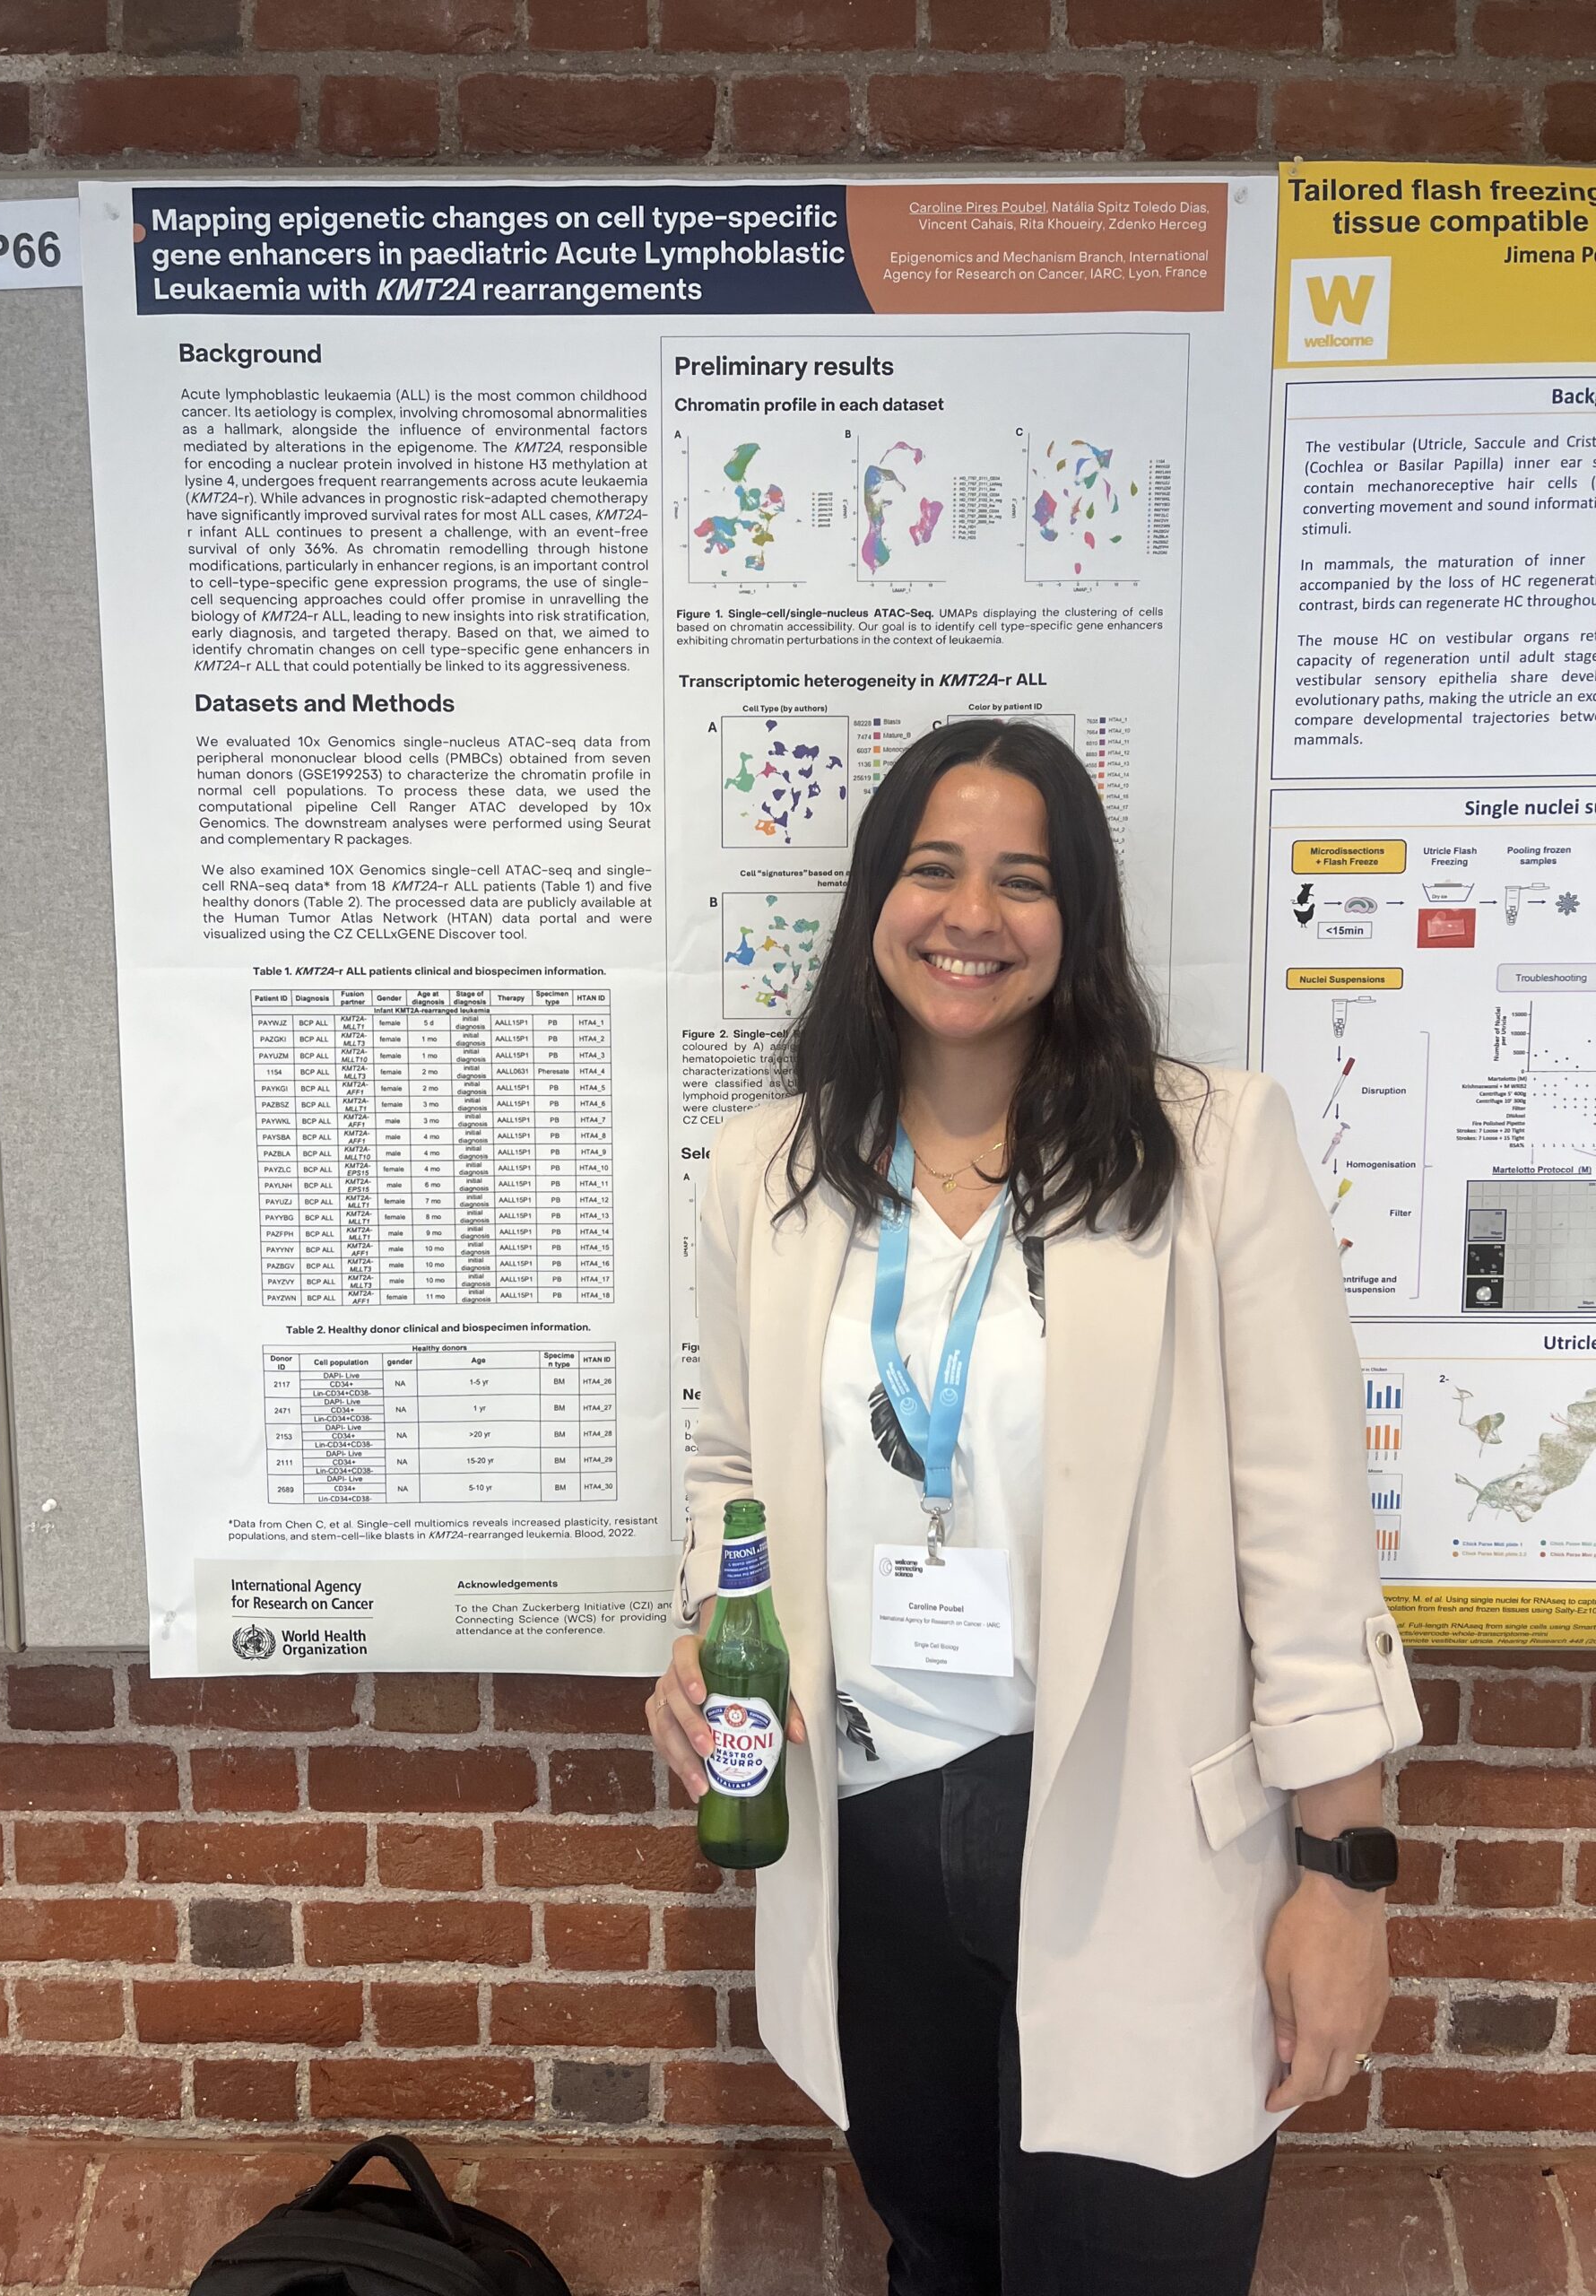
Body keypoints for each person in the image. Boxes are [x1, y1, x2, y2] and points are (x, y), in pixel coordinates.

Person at [646, 718, 1422, 2296]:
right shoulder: (770, 1174)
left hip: (1137, 1838)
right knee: (940, 2253)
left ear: (1079, 924)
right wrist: (713, 1634)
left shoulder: (1210, 1150)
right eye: (934, 870)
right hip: (867, 1831)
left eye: (1024, 880)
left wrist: (1345, 1882)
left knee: (1135, 2270)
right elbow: (735, 1460)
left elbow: (1306, 1530)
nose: (972, 917)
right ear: (877, 899)